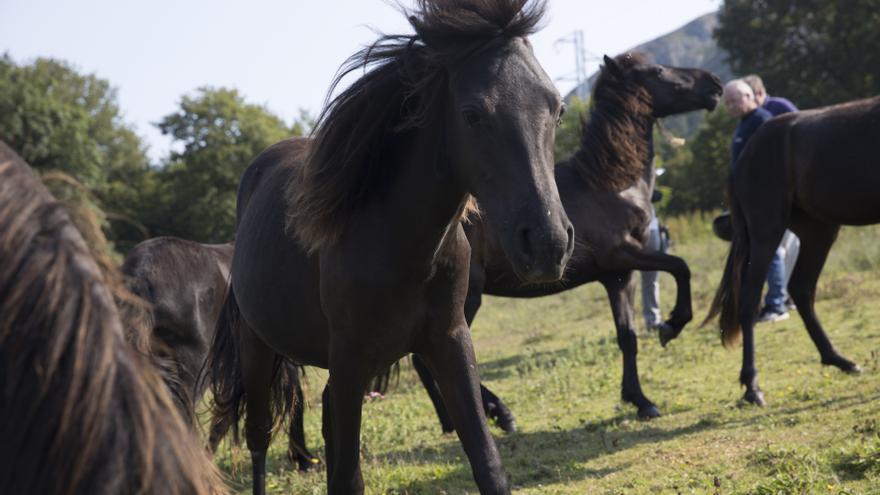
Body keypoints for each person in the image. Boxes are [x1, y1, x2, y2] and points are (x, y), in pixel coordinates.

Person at [722, 79, 789, 323]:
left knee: (770, 252)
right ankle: (762, 304)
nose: (731, 106)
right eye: (727, 102)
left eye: (735, 100)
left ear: (749, 96)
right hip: (748, 202)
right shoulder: (743, 124)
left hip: (765, 201)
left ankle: (776, 305)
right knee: (758, 254)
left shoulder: (762, 121)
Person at [743, 75, 801, 314]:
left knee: (786, 245)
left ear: (757, 94)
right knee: (783, 247)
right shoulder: (752, 118)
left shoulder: (779, 108)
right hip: (773, 191)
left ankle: (783, 296)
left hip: (789, 187)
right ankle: (785, 294)